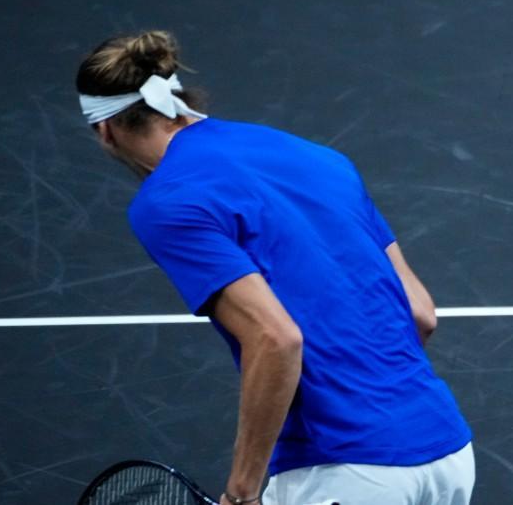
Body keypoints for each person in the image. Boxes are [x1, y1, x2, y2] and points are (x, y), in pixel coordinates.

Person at [76, 31, 475, 505]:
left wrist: (244, 489)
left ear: (104, 130)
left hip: (345, 470)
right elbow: (420, 313)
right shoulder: (318, 158)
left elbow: (276, 338)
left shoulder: (168, 201)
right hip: (447, 453)